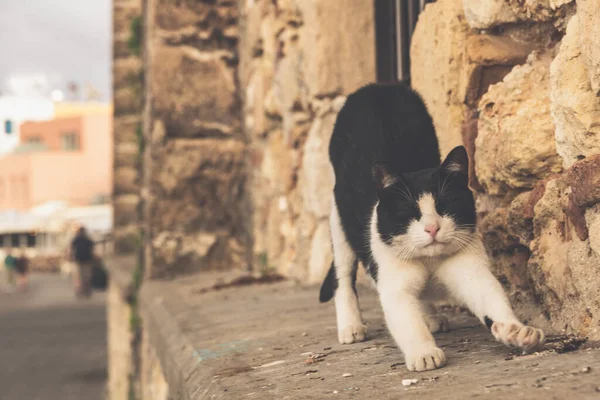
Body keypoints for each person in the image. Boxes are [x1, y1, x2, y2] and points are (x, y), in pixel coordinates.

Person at [70, 226, 95, 297]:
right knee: (83, 277)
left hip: (84, 260)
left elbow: (71, 249)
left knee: (83, 277)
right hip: (82, 260)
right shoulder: (81, 240)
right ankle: (83, 291)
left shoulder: (80, 239)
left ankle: (83, 291)